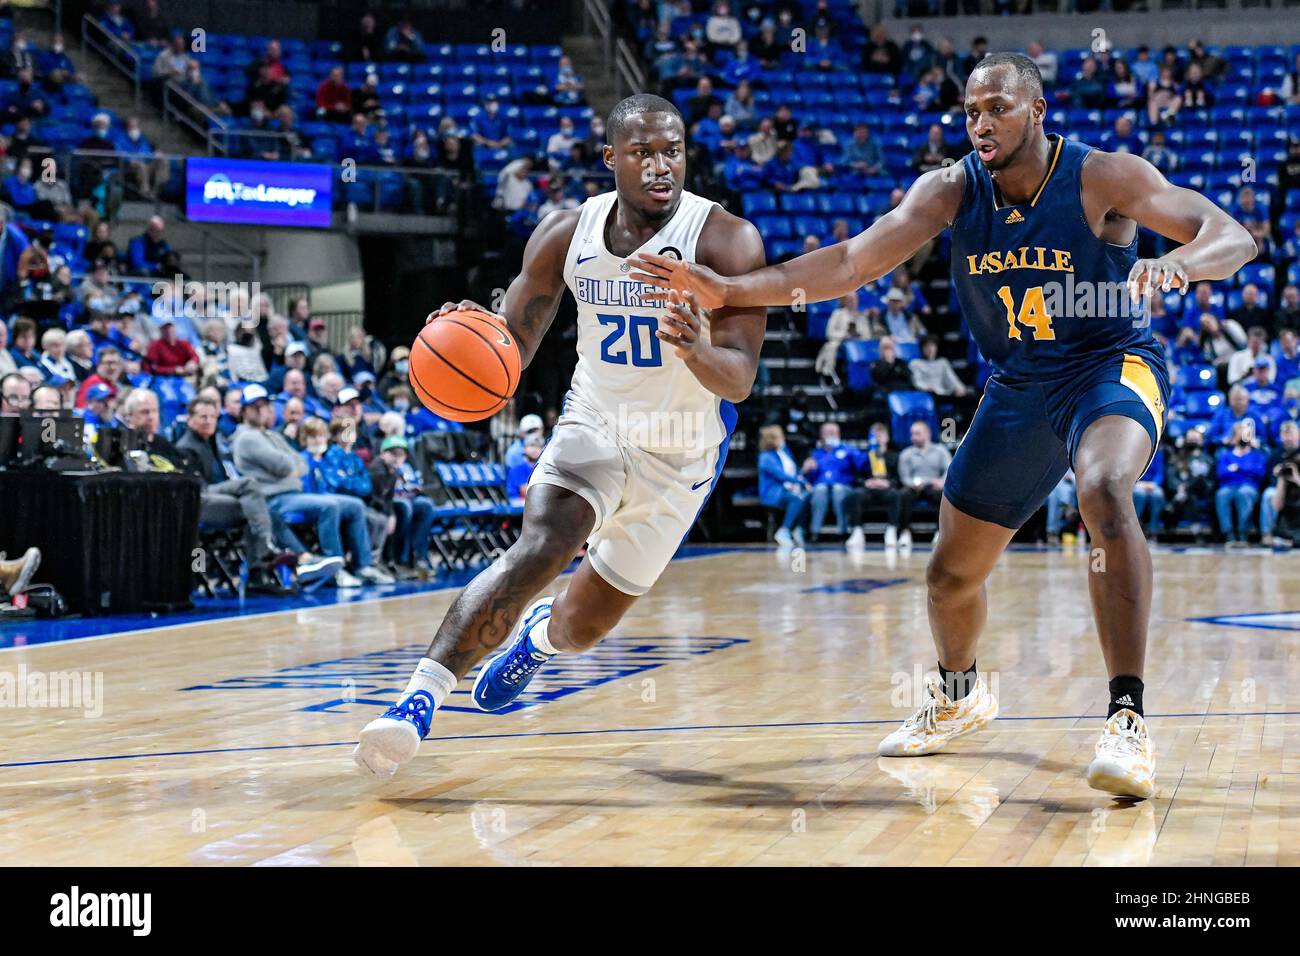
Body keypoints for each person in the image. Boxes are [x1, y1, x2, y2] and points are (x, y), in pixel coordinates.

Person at [631, 52, 1256, 799]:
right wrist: (729, 286)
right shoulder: (953, 190)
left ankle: (1127, 718)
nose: (982, 123)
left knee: (1104, 485)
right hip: (1019, 386)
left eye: (998, 108)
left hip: (1109, 366)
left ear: (1038, 110)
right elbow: (852, 262)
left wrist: (1182, 266)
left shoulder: (1102, 177)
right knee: (949, 576)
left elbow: (1232, 233)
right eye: (971, 112)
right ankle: (959, 693)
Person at [353, 93, 767, 777]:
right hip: (595, 426)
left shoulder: (726, 240)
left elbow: (740, 378)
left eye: (673, 151)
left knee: (585, 626)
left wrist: (696, 349)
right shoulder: (563, 235)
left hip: (682, 454)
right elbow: (508, 351)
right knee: (543, 543)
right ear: (611, 159)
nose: (662, 166)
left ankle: (539, 641)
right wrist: (474, 339)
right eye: (643, 152)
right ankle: (415, 703)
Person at [231, 383, 391, 589]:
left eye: (265, 405)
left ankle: (363, 566)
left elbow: (299, 463)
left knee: (355, 506)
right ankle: (335, 569)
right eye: (256, 406)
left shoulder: (270, 435)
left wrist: (292, 468)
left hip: (292, 494)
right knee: (329, 506)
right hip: (273, 500)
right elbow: (286, 464)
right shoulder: (246, 437)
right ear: (244, 411)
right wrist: (291, 469)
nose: (263, 410)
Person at [175, 395, 318, 595]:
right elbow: (198, 487)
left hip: (221, 496)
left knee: (255, 507)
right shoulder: (186, 447)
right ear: (190, 419)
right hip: (201, 499)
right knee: (252, 491)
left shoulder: (214, 441)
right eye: (203, 417)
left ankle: (259, 573)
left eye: (212, 417)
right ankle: (267, 555)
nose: (208, 421)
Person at [802, 422, 865, 544]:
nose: (831, 435)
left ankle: (842, 531)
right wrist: (807, 470)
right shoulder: (815, 454)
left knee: (838, 490)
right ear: (821, 435)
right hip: (821, 487)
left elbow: (862, 466)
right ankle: (815, 532)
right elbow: (809, 477)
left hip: (843, 486)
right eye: (828, 432)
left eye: (834, 432)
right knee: (820, 489)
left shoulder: (848, 451)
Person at [757, 424, 810, 549]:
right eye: (780, 437)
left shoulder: (784, 451)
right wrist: (801, 482)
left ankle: (798, 529)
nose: (783, 439)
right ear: (771, 439)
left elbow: (794, 470)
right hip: (774, 493)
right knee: (797, 499)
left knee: (807, 496)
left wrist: (803, 473)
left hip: (790, 488)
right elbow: (781, 476)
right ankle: (784, 531)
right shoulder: (766, 457)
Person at [1215, 421, 1267, 547]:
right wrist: (1245, 471)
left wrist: (1238, 468)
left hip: (1249, 486)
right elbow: (1221, 473)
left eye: (1245, 434)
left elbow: (1259, 473)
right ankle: (1229, 535)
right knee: (1222, 494)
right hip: (1228, 486)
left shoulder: (1257, 454)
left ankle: (1243, 533)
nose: (1243, 437)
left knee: (1244, 493)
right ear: (1234, 436)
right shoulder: (1226, 454)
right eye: (1240, 434)